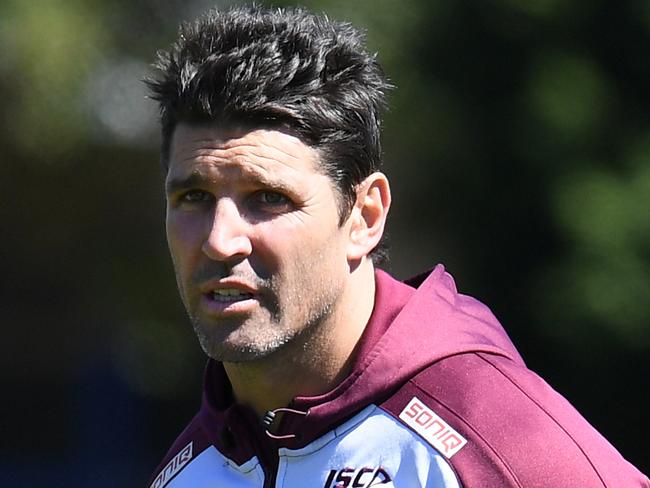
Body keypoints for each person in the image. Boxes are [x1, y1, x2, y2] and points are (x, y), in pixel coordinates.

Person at [146, 5, 648, 487]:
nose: (219, 240)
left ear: (365, 216)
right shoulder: (190, 468)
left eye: (269, 199)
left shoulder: (502, 450)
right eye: (194, 197)